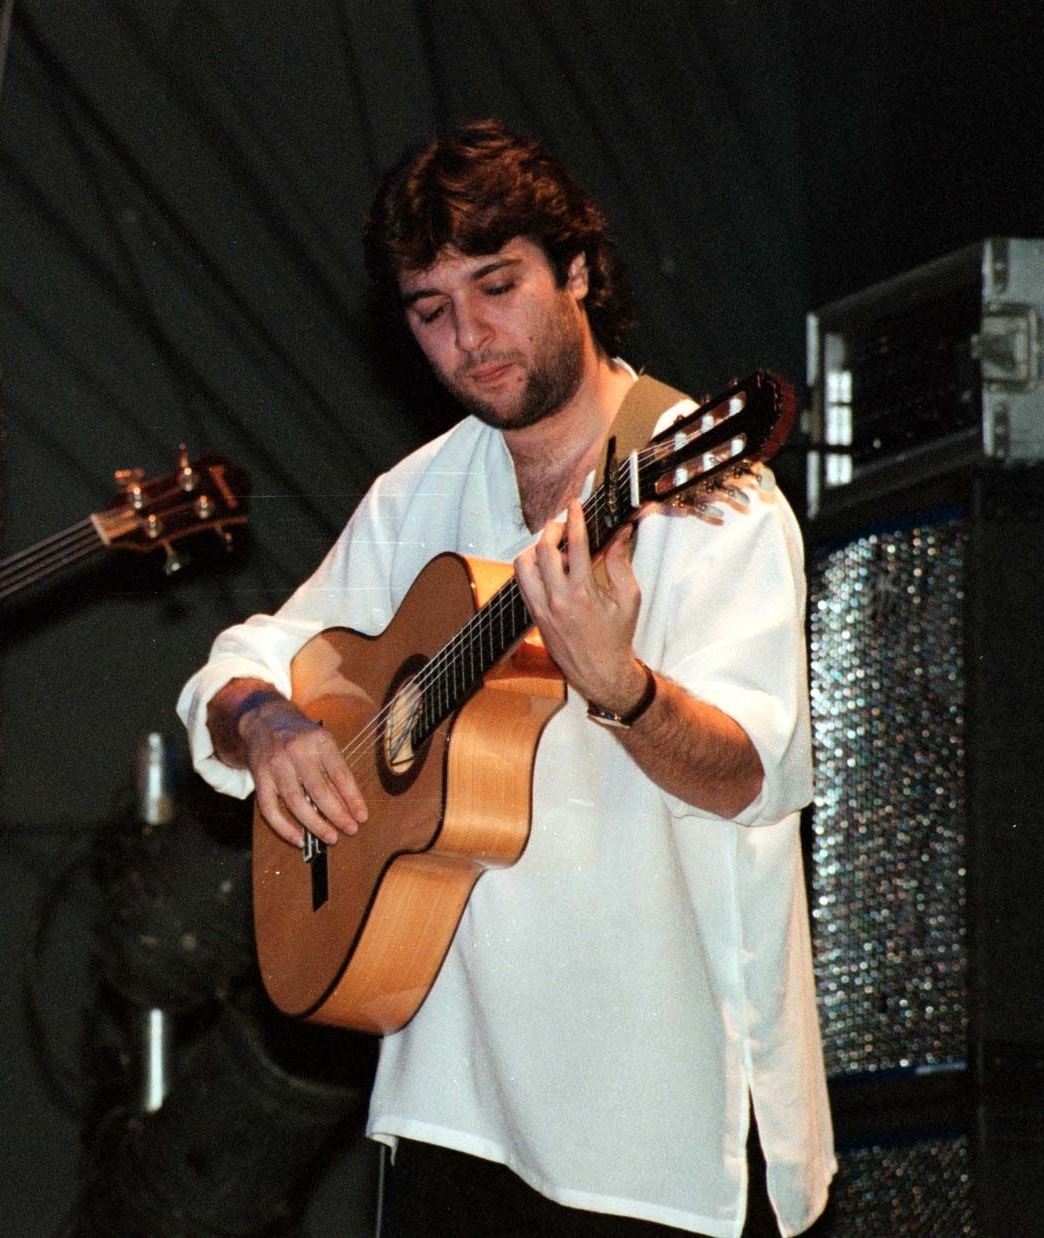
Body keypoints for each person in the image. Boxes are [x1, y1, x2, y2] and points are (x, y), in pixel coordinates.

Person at [176, 120, 834, 1236]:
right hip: (456, 1103)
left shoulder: (708, 498)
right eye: (431, 309)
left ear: (576, 272)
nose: (470, 336)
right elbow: (238, 661)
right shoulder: (417, 495)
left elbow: (748, 775)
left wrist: (620, 687)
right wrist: (269, 721)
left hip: (657, 1128)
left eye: (498, 286)